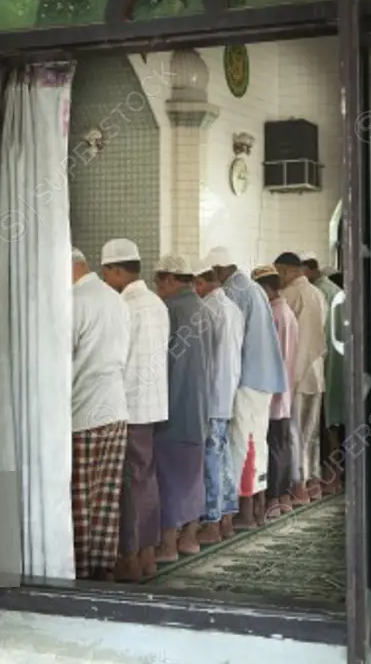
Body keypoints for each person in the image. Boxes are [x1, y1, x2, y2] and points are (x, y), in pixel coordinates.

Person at [100, 238, 170, 583]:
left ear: (115, 270)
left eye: (105, 272)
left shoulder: (124, 306)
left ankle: (129, 556)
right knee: (146, 478)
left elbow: (116, 359)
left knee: (130, 481)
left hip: (130, 406)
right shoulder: (157, 303)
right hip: (153, 404)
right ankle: (148, 553)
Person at [204, 245, 287, 530]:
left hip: (248, 379)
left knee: (243, 444)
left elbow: (231, 342)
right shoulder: (252, 287)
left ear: (216, 271)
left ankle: (247, 512)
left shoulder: (233, 291)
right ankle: (258, 507)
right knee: (256, 442)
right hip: (263, 379)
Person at [70, 247, 131, 580]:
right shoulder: (115, 299)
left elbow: (60, 358)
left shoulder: (75, 302)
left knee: (81, 501)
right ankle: (103, 570)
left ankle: (79, 572)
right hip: (116, 410)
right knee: (107, 498)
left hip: (83, 414)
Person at [153, 253, 213, 560]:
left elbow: (161, 364)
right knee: (192, 476)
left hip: (173, 410)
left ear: (170, 279)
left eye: (158, 281)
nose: (157, 287)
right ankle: (189, 538)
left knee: (169, 479)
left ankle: (167, 545)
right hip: (200, 408)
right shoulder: (205, 309)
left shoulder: (170, 310)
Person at [192, 260, 245, 545]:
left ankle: (211, 521)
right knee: (223, 455)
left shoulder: (207, 311)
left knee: (212, 457)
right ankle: (226, 517)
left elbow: (204, 360)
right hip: (228, 392)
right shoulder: (233, 309)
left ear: (200, 283)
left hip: (211, 395)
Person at [274, 251, 328, 502]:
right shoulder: (317, 293)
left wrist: (291, 380)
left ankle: (299, 485)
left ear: (285, 270)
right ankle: (313, 480)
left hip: (297, 373)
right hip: (315, 372)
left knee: (294, 433)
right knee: (310, 432)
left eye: (278, 273)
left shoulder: (291, 295)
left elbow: (300, 343)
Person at [252, 265, 298, 516]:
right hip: (285, 388)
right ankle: (282, 497)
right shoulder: (286, 312)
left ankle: (274, 500)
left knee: (275, 446)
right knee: (282, 444)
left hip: (275, 391)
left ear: (265, 288)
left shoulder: (275, 314)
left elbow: (273, 356)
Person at [302, 253, 346, 494]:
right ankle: (333, 478)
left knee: (325, 425)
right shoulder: (331, 291)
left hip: (325, 366)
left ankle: (330, 477)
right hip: (335, 364)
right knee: (333, 425)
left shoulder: (319, 292)